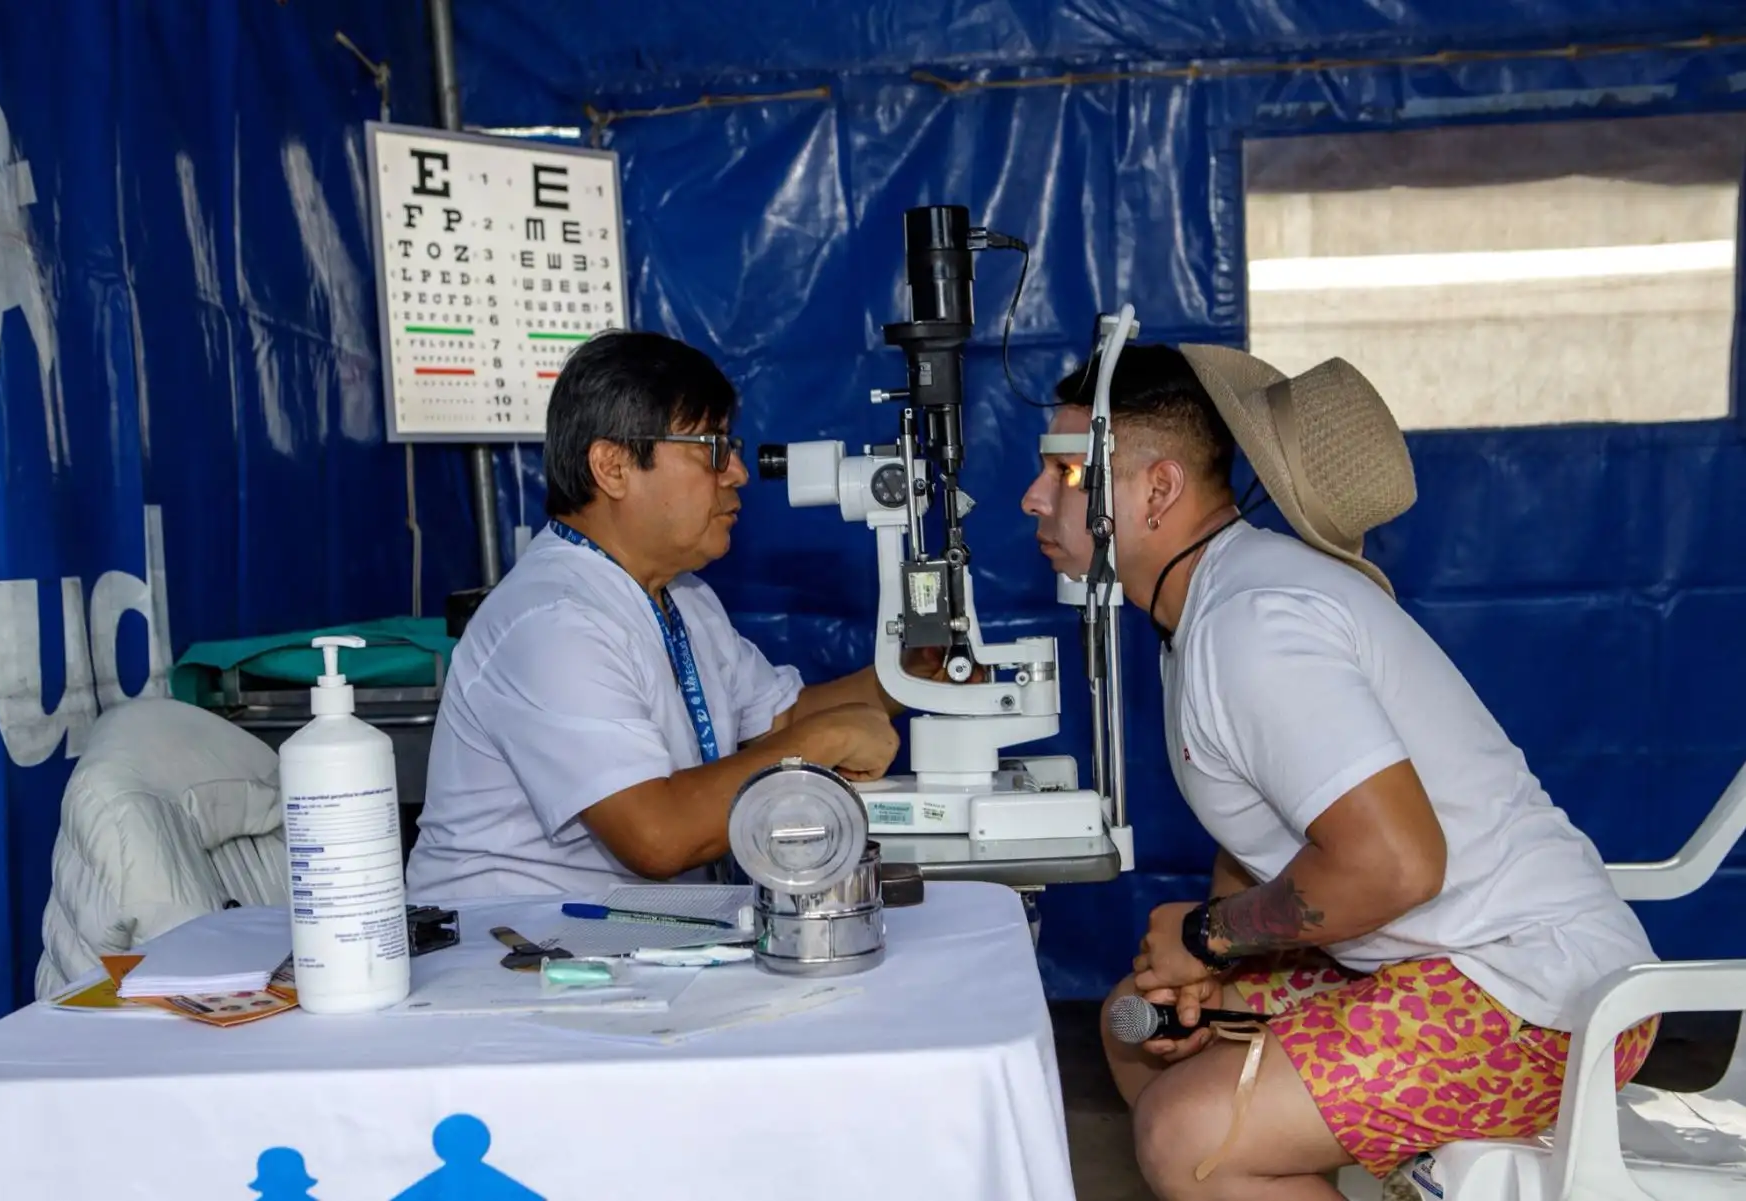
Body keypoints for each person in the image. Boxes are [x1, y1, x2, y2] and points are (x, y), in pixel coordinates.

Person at [1020, 343, 1658, 1199]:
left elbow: (1395, 863)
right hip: (1432, 957)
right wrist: (1207, 965)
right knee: (1135, 1024)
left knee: (1186, 1135)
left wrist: (1209, 934)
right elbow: (1260, 826)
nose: (1033, 496)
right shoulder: (1205, 606)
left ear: (1158, 490)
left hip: (1541, 999)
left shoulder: (1253, 628)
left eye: (1064, 472)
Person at [408, 329, 928, 901]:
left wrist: (915, 674)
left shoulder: (683, 597)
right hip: (511, 953)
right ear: (612, 467)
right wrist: (826, 741)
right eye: (711, 447)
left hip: (632, 938)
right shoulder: (552, 622)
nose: (737, 472)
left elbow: (780, 721)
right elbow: (657, 836)